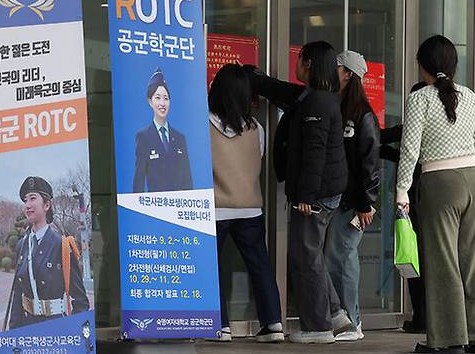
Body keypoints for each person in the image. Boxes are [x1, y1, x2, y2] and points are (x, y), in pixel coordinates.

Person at [244, 41, 350, 344]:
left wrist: (305, 196)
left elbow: (314, 153)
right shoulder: (317, 97)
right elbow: (284, 93)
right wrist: (256, 79)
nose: (298, 64)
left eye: (301, 60)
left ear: (310, 65)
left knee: (305, 258)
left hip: (316, 194)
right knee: (311, 253)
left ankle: (318, 328)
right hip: (323, 190)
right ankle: (332, 312)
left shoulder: (316, 103)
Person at [396, 35, 475, 353]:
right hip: (473, 179)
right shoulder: (468, 96)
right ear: (453, 65)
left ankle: (449, 339)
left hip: (439, 180)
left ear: (422, 66)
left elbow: (409, 148)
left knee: (442, 262)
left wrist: (402, 190)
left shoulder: (420, 98)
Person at [208, 64, 284, 343]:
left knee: (213, 266)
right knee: (260, 265)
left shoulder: (203, 123)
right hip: (251, 207)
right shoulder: (257, 129)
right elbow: (257, 160)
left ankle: (221, 326)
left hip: (214, 208)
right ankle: (273, 323)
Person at [323, 51, 380, 341]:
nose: (334, 71)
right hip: (343, 198)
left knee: (342, 256)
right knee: (336, 256)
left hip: (354, 202)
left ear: (348, 74)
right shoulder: (340, 107)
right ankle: (345, 318)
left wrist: (366, 202)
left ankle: (352, 320)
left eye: (338, 68)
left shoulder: (363, 115)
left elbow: (369, 163)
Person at [380, 81, 428, 334]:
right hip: (429, 198)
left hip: (413, 199)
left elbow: (386, 140)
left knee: (413, 254)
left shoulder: (414, 125)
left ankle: (422, 317)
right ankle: (427, 317)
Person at [9, 176, 89, 329]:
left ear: (46, 205)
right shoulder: (22, 245)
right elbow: (17, 298)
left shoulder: (63, 245)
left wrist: (77, 333)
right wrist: (13, 334)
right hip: (26, 326)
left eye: (32, 198)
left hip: (55, 326)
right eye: (25, 201)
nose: (27, 205)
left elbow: (80, 300)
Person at [133, 67, 192, 193]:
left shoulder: (180, 138)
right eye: (158, 98)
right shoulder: (143, 137)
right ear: (150, 102)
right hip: (156, 207)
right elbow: (139, 180)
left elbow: (188, 180)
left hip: (179, 206)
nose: (162, 103)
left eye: (166, 98)